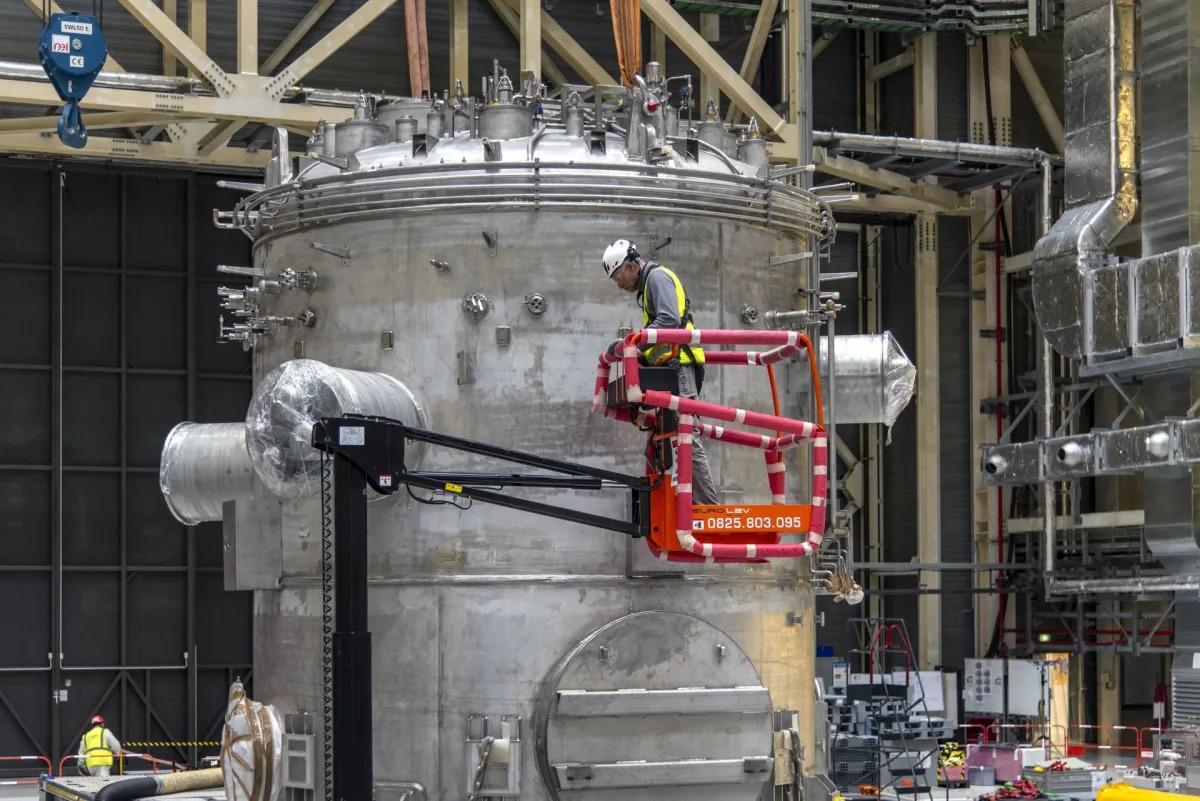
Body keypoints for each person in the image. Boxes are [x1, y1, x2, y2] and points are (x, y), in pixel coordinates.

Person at [602, 237, 719, 505]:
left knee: (687, 432)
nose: (619, 285)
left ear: (631, 267)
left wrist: (635, 343)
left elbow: (669, 320)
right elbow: (660, 331)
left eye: (618, 277)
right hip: (671, 363)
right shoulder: (648, 286)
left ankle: (708, 509)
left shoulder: (657, 278)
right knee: (676, 433)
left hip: (681, 364)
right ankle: (691, 502)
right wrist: (639, 353)